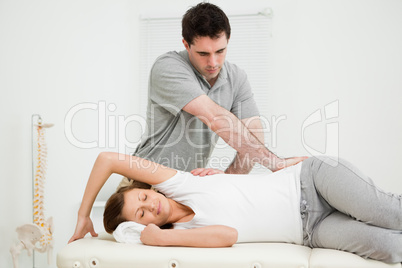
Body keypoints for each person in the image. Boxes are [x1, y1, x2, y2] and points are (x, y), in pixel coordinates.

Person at [69, 152, 402, 263]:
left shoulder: (178, 182)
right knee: (388, 248)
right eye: (140, 214)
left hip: (311, 181)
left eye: (142, 197)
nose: (149, 205)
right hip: (310, 232)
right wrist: (159, 239)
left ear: (147, 188)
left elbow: (107, 160)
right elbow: (228, 235)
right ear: (141, 227)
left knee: (389, 214)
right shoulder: (183, 234)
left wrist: (84, 216)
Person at [128, 2, 304, 181]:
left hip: (185, 187)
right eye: (203, 54)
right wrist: (276, 164)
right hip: (142, 182)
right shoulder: (168, 66)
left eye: (220, 51)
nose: (213, 62)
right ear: (186, 45)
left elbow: (254, 137)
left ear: (228, 40)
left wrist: (226, 182)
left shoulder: (237, 78)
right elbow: (214, 118)